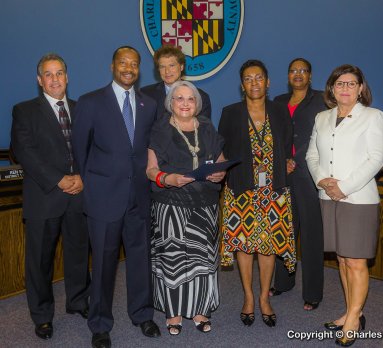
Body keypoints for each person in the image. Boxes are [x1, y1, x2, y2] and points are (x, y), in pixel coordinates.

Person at [72, 46, 160, 348]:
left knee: (140, 261)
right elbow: (79, 152)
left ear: (139, 70)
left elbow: (148, 150)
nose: (128, 68)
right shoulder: (90, 102)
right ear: (112, 66)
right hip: (103, 199)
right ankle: (99, 324)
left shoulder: (149, 105)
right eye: (123, 63)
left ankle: (142, 314)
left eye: (134, 64)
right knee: (104, 265)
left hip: (139, 198)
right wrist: (91, 188)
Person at [11, 53, 90, 340]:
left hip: (79, 194)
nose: (55, 79)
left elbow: (92, 148)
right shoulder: (24, 110)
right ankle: (42, 315)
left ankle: (79, 301)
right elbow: (24, 152)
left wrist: (82, 176)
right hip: (44, 196)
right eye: (48, 74)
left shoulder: (82, 109)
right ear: (39, 80)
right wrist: (58, 179)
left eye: (59, 73)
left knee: (79, 253)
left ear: (67, 77)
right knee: (40, 261)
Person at [306, 64, 383, 346]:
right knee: (341, 258)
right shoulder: (322, 118)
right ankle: (354, 311)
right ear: (331, 88)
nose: (345, 88)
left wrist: (344, 186)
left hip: (358, 199)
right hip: (328, 197)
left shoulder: (373, 117)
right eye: (340, 83)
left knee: (356, 260)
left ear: (361, 88)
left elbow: (376, 159)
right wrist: (323, 181)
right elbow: (312, 155)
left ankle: (353, 318)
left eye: (351, 84)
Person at [218, 59, 296, 328]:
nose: (254, 83)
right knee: (243, 246)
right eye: (248, 79)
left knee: (268, 245)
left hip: (272, 190)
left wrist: (287, 162)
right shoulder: (230, 113)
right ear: (242, 85)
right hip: (241, 190)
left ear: (268, 82)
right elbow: (222, 149)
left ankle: (264, 298)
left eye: (259, 77)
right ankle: (248, 298)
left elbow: (287, 144)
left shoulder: (280, 111)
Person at [146, 80, 225, 335]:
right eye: (179, 98)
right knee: (174, 260)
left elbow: (221, 162)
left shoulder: (208, 127)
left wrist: (219, 174)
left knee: (203, 259)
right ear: (171, 103)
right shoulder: (159, 129)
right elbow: (151, 170)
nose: (184, 103)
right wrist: (167, 179)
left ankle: (201, 310)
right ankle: (174, 313)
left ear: (197, 104)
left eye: (190, 99)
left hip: (205, 206)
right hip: (171, 205)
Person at [271, 58, 326, 311]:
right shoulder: (279, 102)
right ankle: (284, 282)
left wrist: (296, 158)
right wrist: (283, 160)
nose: (298, 74)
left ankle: (313, 293)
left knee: (312, 234)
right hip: (283, 174)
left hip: (309, 174)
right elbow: (274, 136)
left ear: (311, 76)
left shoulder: (322, 100)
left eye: (304, 70)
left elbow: (322, 135)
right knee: (285, 229)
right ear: (288, 75)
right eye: (293, 70)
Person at [141, 44, 212, 119]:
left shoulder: (200, 97)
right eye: (162, 67)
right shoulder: (146, 95)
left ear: (181, 67)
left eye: (171, 65)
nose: (167, 71)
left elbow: (204, 128)